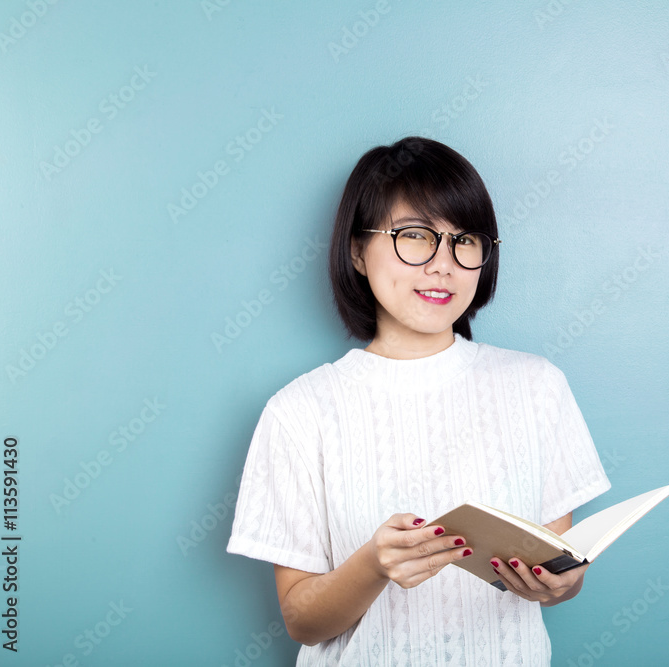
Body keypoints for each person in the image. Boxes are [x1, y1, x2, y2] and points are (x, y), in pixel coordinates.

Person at [227, 136, 611, 665]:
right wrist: (373, 565)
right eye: (414, 236)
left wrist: (559, 585)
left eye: (465, 240)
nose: (443, 265)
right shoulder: (300, 411)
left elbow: (565, 573)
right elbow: (301, 620)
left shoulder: (537, 386)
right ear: (359, 250)